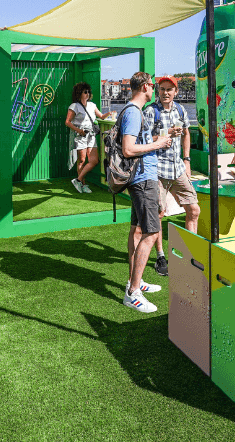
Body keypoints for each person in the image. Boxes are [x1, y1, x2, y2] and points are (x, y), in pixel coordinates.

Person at [120, 72, 172, 313]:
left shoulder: (133, 111)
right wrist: (158, 144)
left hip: (141, 178)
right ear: (144, 86)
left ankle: (136, 281)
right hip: (142, 180)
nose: (155, 88)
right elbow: (128, 149)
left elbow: (136, 142)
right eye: (152, 85)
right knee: (151, 232)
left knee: (138, 229)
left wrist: (157, 139)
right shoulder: (133, 112)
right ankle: (133, 292)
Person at [144, 76, 200, 270]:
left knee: (194, 210)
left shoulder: (181, 109)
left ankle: (190, 253)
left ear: (176, 91)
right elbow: (143, 140)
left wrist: (187, 160)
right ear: (157, 91)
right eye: (162, 89)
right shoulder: (150, 111)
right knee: (159, 214)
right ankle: (160, 256)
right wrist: (167, 133)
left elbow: (186, 134)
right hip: (157, 169)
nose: (165, 93)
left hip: (177, 168)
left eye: (169, 89)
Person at [65, 82, 111, 194]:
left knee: (94, 160)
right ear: (79, 93)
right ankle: (83, 184)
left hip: (91, 135)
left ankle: (78, 180)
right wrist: (79, 131)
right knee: (81, 160)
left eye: (88, 92)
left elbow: (101, 116)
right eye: (85, 92)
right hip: (80, 135)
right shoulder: (74, 106)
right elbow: (67, 122)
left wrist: (110, 113)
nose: (87, 94)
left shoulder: (92, 105)